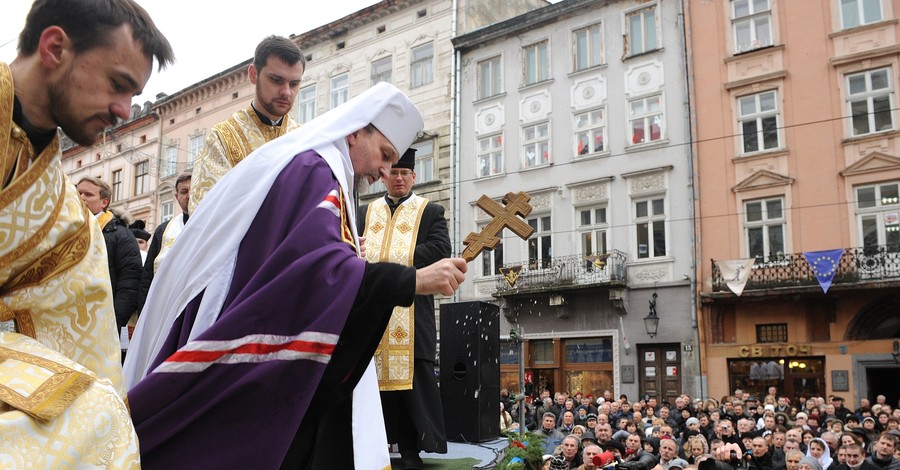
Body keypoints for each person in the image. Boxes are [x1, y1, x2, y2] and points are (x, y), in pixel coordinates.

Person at [123, 82, 468, 469]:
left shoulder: (317, 167)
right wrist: (412, 281)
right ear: (356, 132)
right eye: (385, 155)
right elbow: (318, 270)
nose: (385, 171)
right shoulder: (317, 171)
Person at [0, 0, 173, 465]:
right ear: (55, 47)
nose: (123, 110)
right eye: (118, 85)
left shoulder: (68, 215)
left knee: (101, 416)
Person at [357, 147, 451, 468]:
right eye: (393, 173)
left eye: (404, 174)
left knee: (413, 390)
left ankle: (411, 451)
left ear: (414, 177)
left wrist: (386, 260)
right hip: (371, 315)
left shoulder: (430, 211)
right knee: (371, 387)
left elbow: (440, 249)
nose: (398, 179)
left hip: (413, 314)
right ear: (384, 176)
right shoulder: (365, 213)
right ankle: (374, 449)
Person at [188, 35, 304, 213]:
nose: (286, 92)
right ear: (253, 74)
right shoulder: (223, 138)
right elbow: (206, 214)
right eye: (276, 80)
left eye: (294, 84)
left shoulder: (304, 139)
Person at [76, 176, 143, 330]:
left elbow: (130, 283)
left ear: (104, 202)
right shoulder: (66, 230)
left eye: (88, 194)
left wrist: (113, 323)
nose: (81, 197)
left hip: (102, 321)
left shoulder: (121, 235)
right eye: (78, 193)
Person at [138, 172, 191, 311]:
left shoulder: (213, 225)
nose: (189, 196)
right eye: (184, 191)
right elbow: (148, 274)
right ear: (177, 197)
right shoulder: (164, 230)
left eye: (193, 190)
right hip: (165, 304)